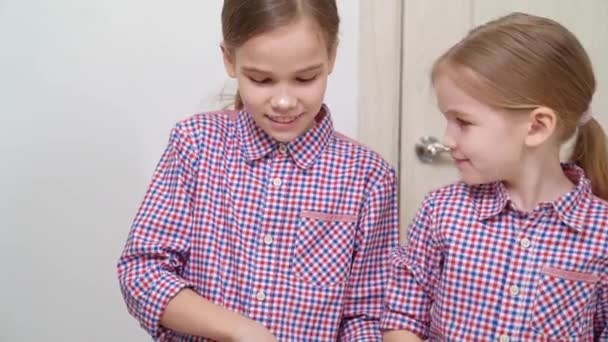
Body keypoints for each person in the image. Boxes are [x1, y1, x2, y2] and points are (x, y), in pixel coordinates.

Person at [117, 0, 399, 340]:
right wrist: (239, 330)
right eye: (262, 80)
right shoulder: (194, 145)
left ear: (332, 56)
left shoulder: (369, 177)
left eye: (305, 78)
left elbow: (365, 314)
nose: (283, 101)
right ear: (229, 60)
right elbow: (143, 272)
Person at [381, 12, 608, 341]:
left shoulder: (601, 234)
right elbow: (401, 317)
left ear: (537, 127)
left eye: (463, 122)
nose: (447, 138)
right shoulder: (441, 212)